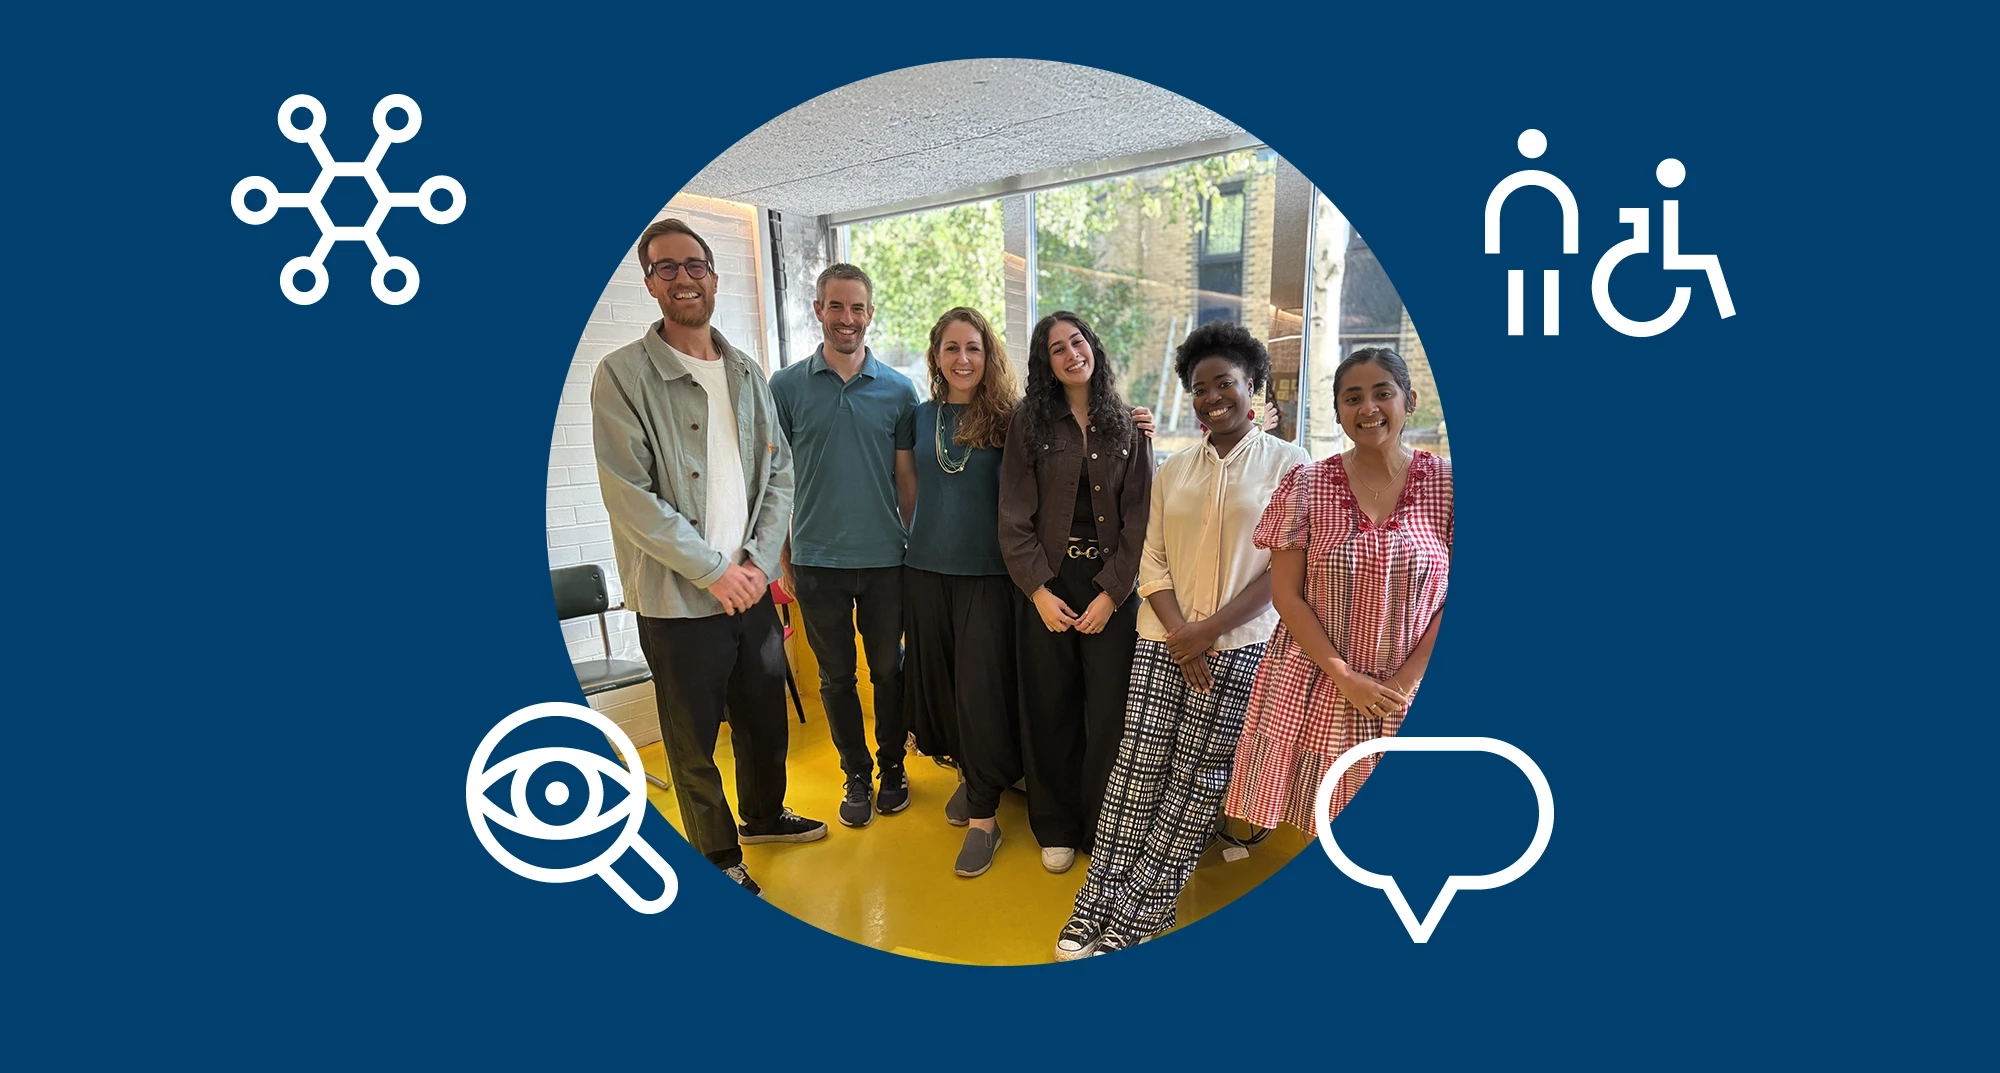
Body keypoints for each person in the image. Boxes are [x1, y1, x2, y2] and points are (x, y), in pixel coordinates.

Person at [1055, 321, 1308, 959]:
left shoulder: (1290, 464)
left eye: (1226, 383)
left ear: (1254, 388)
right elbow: (1151, 559)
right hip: (1160, 641)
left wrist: (1206, 633)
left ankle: (1148, 904)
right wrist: (1180, 632)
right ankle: (1097, 901)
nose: (1212, 396)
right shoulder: (1172, 468)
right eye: (1200, 387)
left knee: (1196, 781)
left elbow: (1283, 570)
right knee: (1135, 770)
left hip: (1241, 647)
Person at [591, 218, 827, 899]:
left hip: (752, 590)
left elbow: (778, 471)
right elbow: (629, 495)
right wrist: (712, 570)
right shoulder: (623, 376)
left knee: (763, 719)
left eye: (695, 265)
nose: (684, 277)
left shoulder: (745, 370)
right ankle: (718, 853)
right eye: (667, 268)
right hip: (678, 598)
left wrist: (754, 564)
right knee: (692, 741)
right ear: (649, 282)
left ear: (713, 276)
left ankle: (762, 815)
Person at [1223, 347, 1451, 838]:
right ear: (1338, 411)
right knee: (1324, 823)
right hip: (1319, 677)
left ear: (1409, 401)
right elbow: (1286, 595)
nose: (1368, 408)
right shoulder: (1306, 484)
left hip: (1411, 685)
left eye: (1381, 393)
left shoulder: (1450, 485)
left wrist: (1406, 681)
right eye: (1352, 398)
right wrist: (1344, 676)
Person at [999, 311, 1153, 875]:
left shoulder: (1129, 425)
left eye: (1077, 341)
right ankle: (1056, 826)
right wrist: (1038, 591)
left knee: (1111, 715)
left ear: (1093, 347)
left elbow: (1140, 517)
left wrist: (1113, 595)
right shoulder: (1029, 423)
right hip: (1047, 585)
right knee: (1049, 709)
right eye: (1056, 348)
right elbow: (1012, 515)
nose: (1070, 354)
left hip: (1110, 591)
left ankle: (1102, 828)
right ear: (1046, 362)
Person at [770, 264, 923, 829]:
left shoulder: (900, 391)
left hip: (886, 560)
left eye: (857, 308)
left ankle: (892, 769)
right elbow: (774, 481)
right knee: (836, 679)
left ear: (870, 314)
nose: (847, 319)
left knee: (889, 670)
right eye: (836, 307)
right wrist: (782, 557)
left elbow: (908, 483)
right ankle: (855, 774)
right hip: (815, 563)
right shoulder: (784, 387)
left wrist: (913, 545)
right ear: (819, 311)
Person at [894, 308, 1025, 878]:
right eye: (952, 348)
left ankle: (984, 820)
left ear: (988, 354)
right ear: (936, 355)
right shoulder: (916, 419)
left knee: (980, 693)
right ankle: (972, 779)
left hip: (989, 578)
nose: (963, 358)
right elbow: (909, 493)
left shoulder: (1011, 420)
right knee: (941, 691)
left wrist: (1137, 423)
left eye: (973, 347)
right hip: (924, 572)